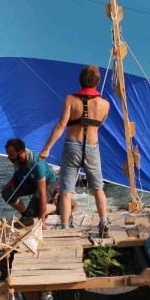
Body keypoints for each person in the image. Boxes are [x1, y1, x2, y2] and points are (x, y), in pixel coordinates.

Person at [38, 64, 110, 231]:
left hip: (72, 146)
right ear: (97, 82)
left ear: (80, 80)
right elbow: (99, 124)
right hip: (92, 146)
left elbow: (60, 126)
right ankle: (104, 222)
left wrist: (47, 148)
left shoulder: (70, 100)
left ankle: (64, 227)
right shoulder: (105, 104)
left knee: (66, 190)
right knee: (98, 188)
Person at [1, 138, 58, 225]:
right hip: (32, 181)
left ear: (20, 152)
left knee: (34, 210)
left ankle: (56, 206)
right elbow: (17, 170)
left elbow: (42, 193)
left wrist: (42, 220)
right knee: (6, 193)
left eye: (11, 155)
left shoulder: (37, 163)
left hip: (47, 182)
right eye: (8, 154)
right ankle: (27, 217)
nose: (8, 157)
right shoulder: (16, 158)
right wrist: (12, 181)